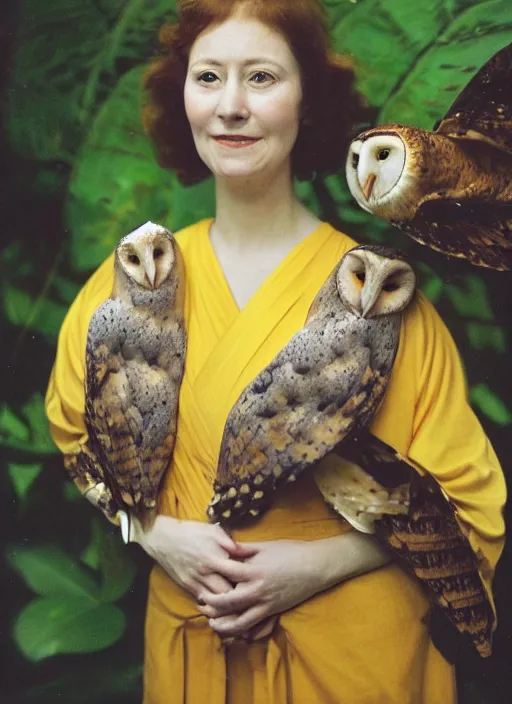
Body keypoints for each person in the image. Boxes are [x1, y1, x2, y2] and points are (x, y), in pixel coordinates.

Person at [45, 0, 506, 702]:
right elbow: (81, 439)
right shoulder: (138, 275)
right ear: (183, 98)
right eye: (208, 78)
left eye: (261, 78)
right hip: (193, 646)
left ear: (308, 101)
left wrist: (319, 565)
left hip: (354, 655)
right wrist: (156, 532)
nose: (231, 106)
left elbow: (472, 504)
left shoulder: (379, 292)